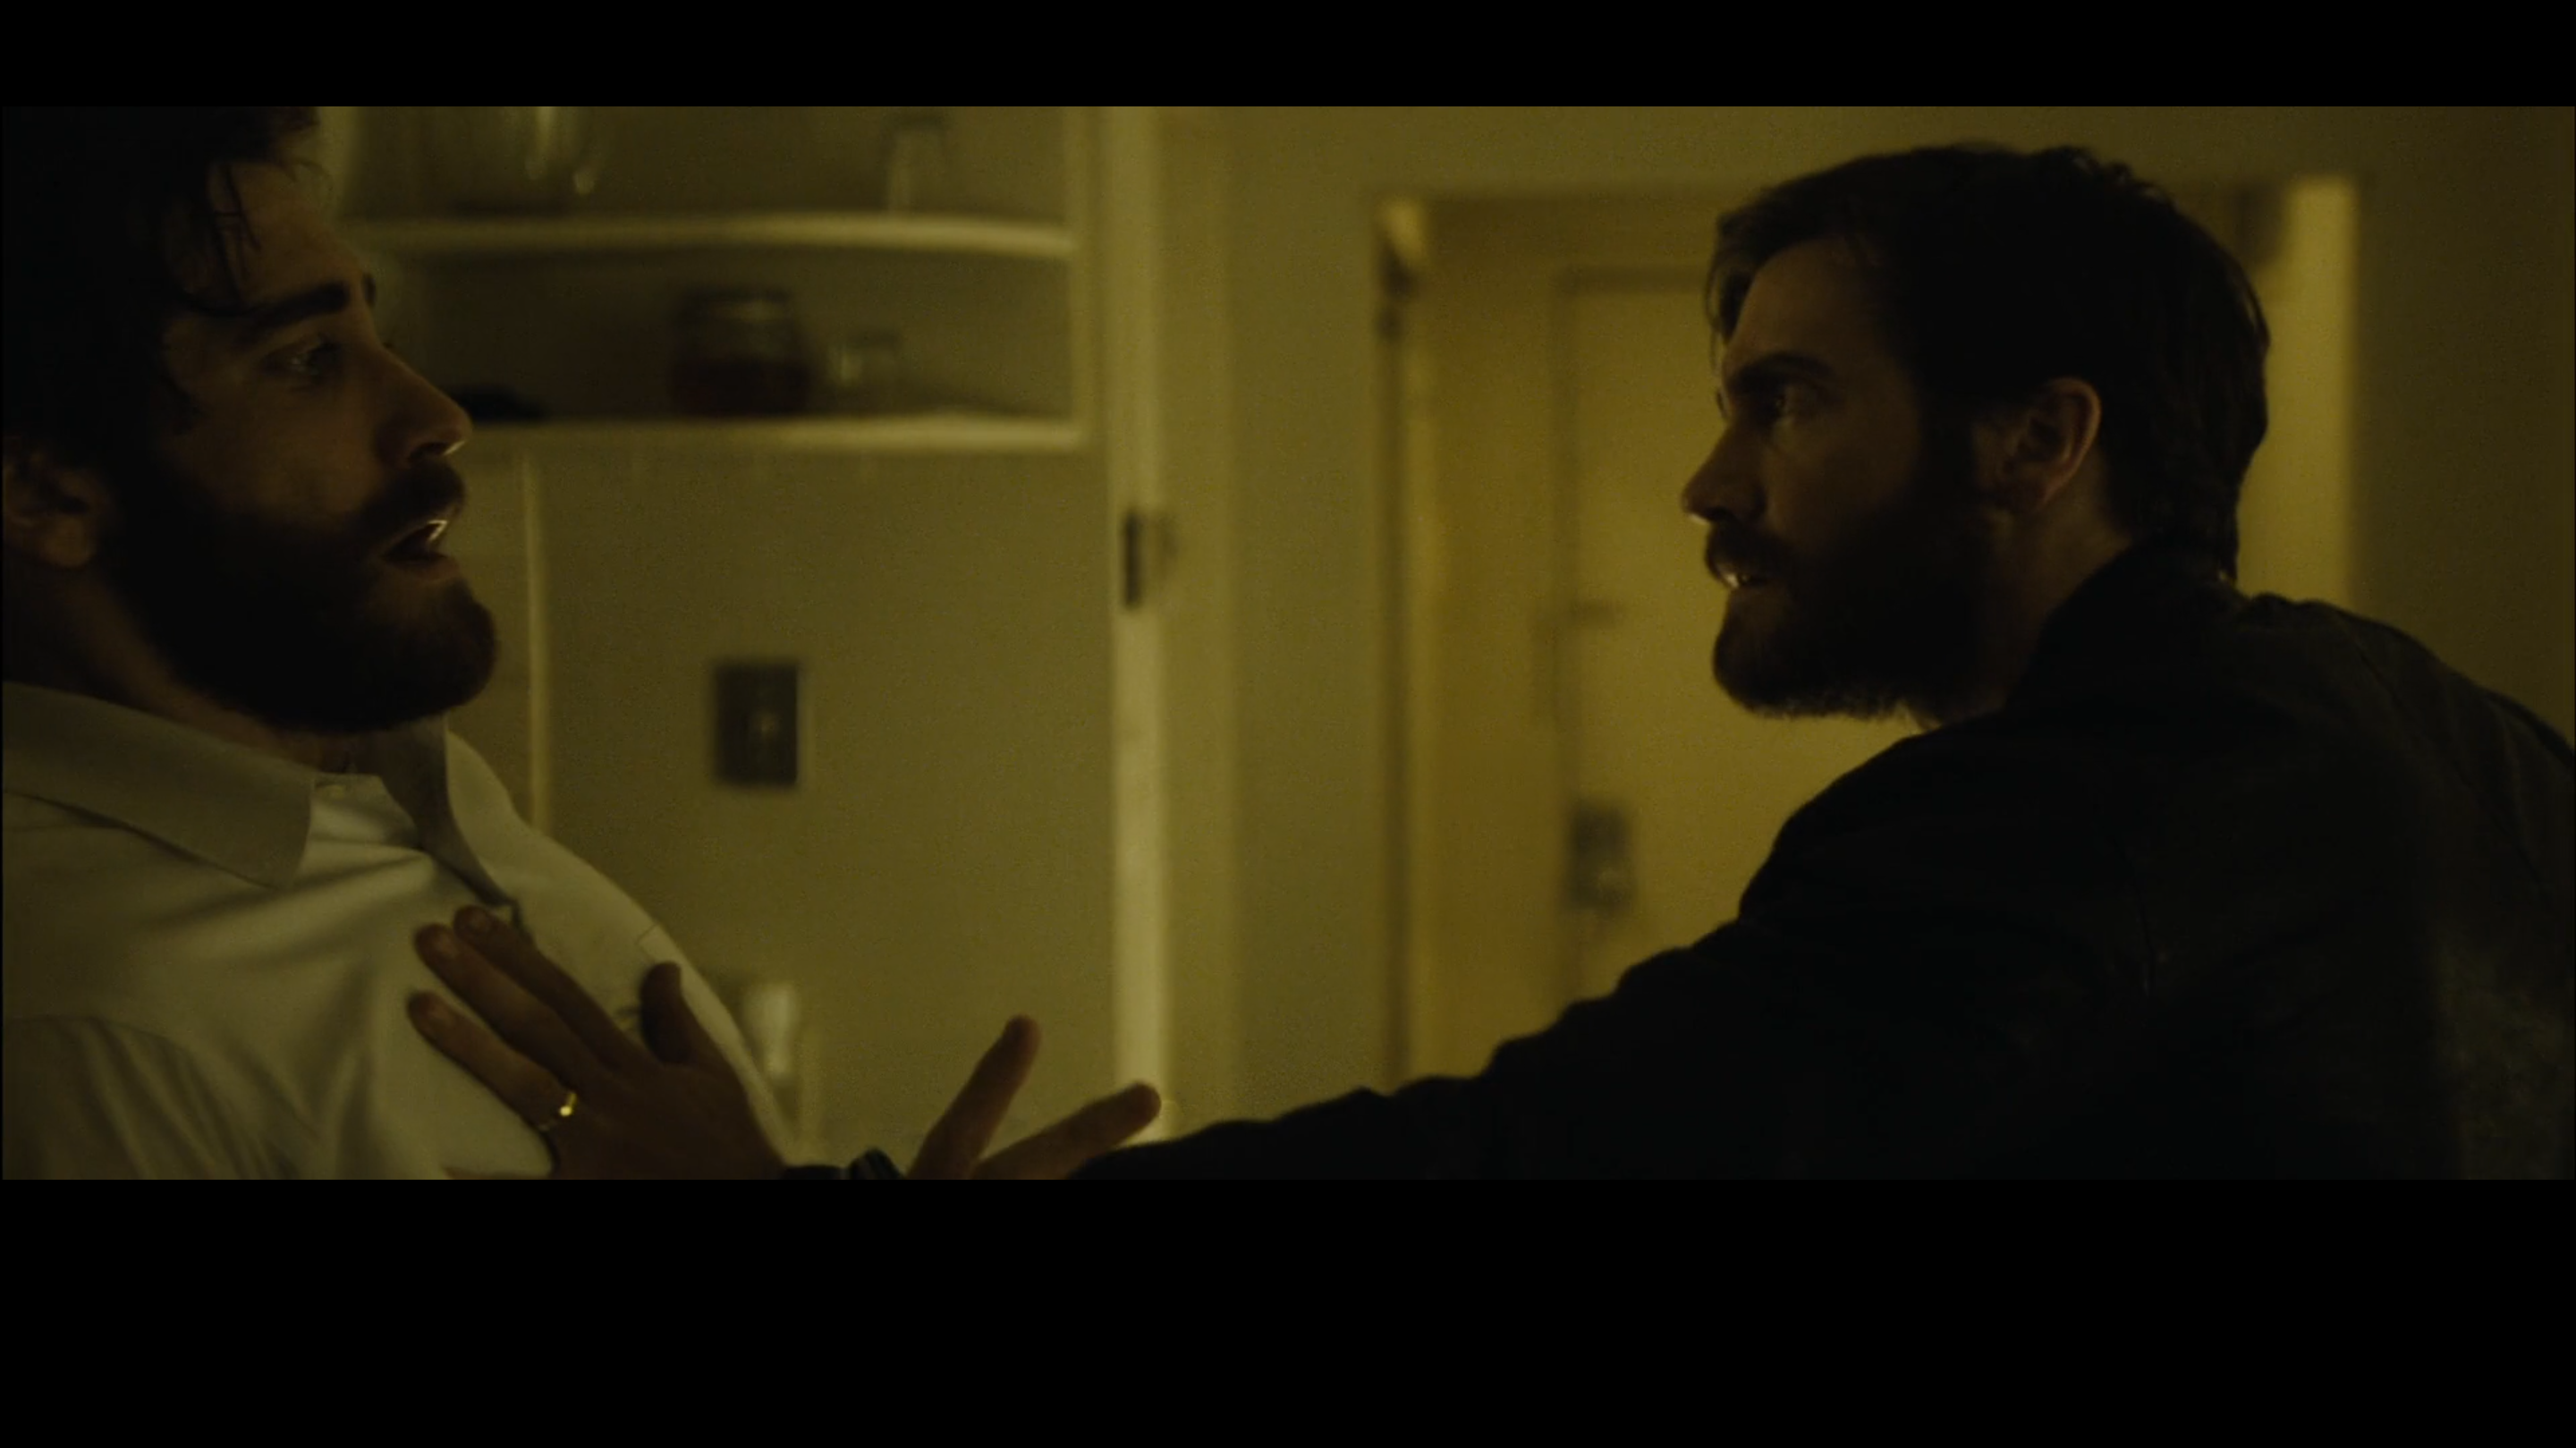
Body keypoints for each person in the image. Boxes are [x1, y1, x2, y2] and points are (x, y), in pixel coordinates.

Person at [406, 141, 2575, 1178]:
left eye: (1790, 403)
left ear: (2039, 440)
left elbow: (1548, 1164)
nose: (1710, 486)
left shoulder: (2077, 811)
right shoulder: (2451, 736)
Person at [0, 107, 1156, 1179]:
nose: (437, 413)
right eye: (307, 359)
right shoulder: (90, 1026)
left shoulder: (396, 780)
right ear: (49, 492)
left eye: (378, 332)